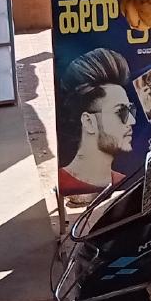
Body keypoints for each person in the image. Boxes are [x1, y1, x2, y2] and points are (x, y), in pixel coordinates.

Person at [58, 47, 136, 193]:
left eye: (130, 110)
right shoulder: (65, 182)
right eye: (120, 111)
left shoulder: (125, 183)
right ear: (88, 122)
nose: (132, 121)